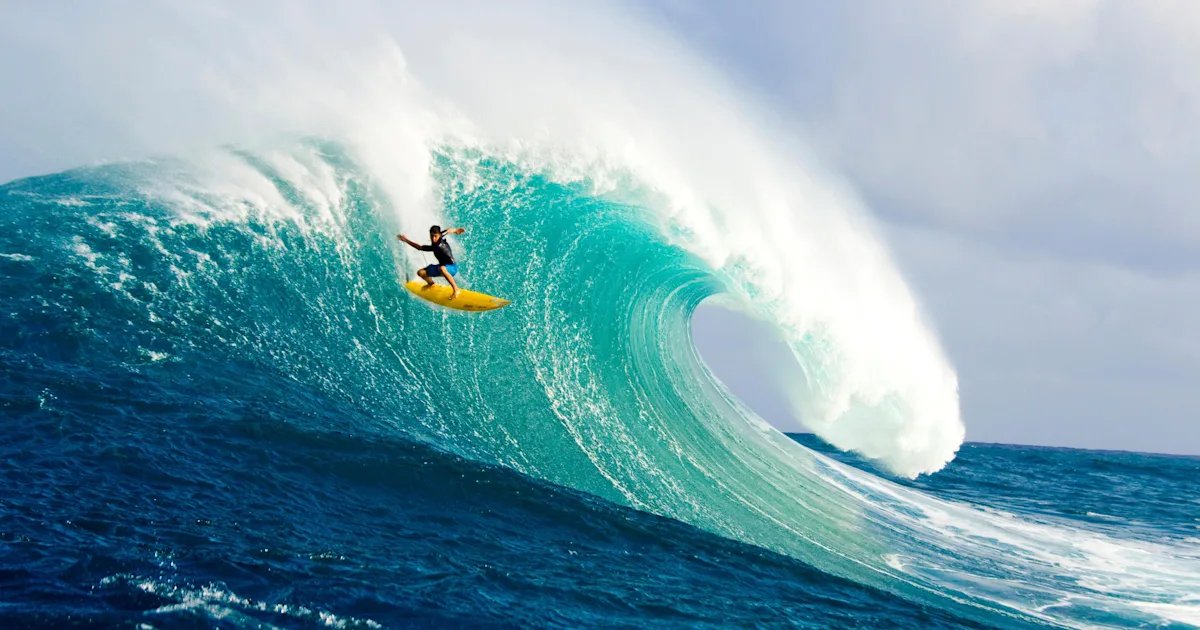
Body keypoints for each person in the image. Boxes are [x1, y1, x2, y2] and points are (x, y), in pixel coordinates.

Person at [398, 225, 466, 299]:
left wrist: (406, 240)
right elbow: (448, 230)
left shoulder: (436, 247)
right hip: (442, 267)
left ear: (439, 235)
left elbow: (419, 247)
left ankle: (456, 289)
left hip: (452, 268)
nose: (433, 239)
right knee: (421, 273)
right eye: (431, 236)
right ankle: (431, 284)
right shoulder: (440, 235)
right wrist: (455, 230)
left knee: (442, 268)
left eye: (435, 236)